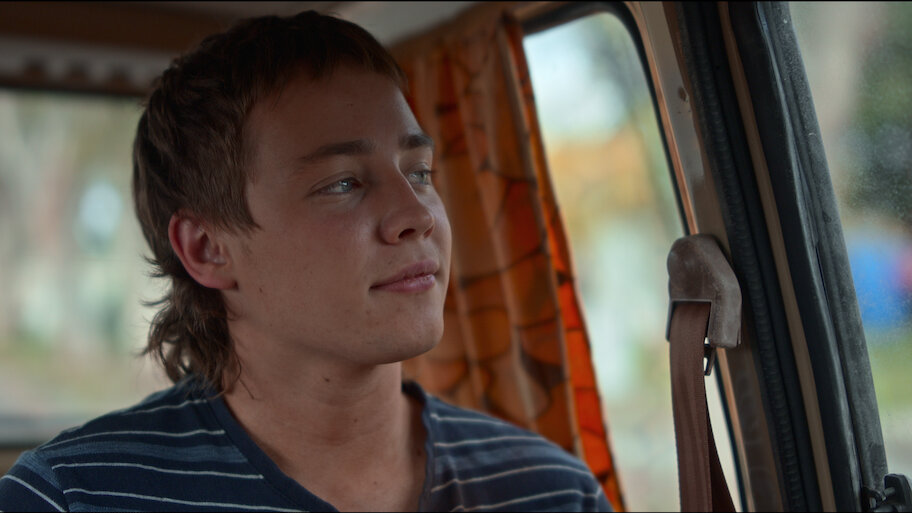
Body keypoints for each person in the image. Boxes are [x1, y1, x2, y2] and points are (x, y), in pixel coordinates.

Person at [0, 10, 612, 512]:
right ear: (208, 249)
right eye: (343, 183)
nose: (417, 214)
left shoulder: (551, 491)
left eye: (420, 172)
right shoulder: (73, 498)